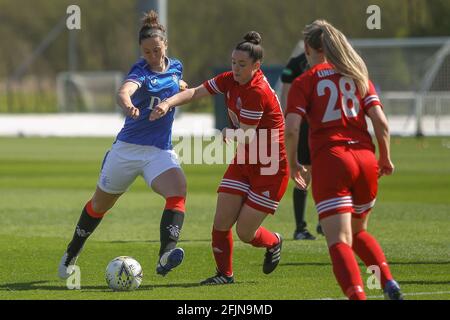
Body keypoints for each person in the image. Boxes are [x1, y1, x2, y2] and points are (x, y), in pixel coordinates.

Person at [150, 31, 289, 285]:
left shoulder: (256, 91)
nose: (235, 68)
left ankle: (274, 242)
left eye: (242, 64)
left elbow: (246, 136)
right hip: (245, 161)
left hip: (270, 167)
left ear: (256, 66)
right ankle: (224, 275)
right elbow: (195, 93)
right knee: (221, 221)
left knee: (245, 233)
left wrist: (227, 131)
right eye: (233, 62)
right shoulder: (230, 80)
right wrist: (168, 103)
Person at [58, 10, 188, 280]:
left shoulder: (176, 66)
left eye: (156, 50)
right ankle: (72, 251)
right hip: (127, 150)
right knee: (99, 206)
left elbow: (179, 85)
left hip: (159, 151)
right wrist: (128, 104)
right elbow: (124, 90)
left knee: (178, 190)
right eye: (147, 52)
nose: (152, 56)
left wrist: (179, 92)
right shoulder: (139, 71)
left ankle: (166, 254)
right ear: (141, 52)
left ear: (166, 45)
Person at [285, 20, 403, 300]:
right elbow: (382, 124)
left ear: (307, 49)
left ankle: (358, 296)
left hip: (332, 160)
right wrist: (384, 157)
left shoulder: (305, 80)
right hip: (365, 160)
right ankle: (388, 283)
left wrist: (292, 164)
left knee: (338, 240)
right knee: (359, 232)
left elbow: (291, 128)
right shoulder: (358, 75)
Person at [280, 52, 322, 240]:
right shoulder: (297, 62)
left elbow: (286, 92)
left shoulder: (297, 62)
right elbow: (287, 92)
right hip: (314, 124)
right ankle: (305, 226)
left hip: (304, 124)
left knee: (307, 173)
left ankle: (307, 226)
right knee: (314, 172)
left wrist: (287, 119)